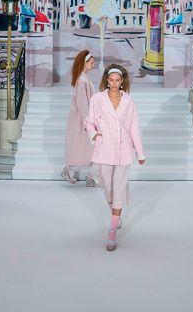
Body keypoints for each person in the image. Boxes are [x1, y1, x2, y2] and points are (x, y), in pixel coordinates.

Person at [84, 65, 145, 251]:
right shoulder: (97, 99)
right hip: (105, 149)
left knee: (118, 189)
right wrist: (94, 135)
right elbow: (89, 121)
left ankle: (112, 230)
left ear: (122, 82)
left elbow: (134, 128)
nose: (114, 84)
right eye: (111, 80)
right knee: (109, 190)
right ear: (107, 80)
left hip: (124, 150)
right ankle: (116, 214)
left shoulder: (129, 101)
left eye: (118, 81)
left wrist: (139, 152)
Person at [63, 50, 98, 185]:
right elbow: (83, 103)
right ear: (85, 63)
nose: (93, 65)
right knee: (87, 147)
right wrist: (89, 122)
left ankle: (84, 174)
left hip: (83, 119)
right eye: (91, 63)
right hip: (82, 120)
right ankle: (89, 175)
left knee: (84, 147)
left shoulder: (84, 78)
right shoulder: (83, 80)